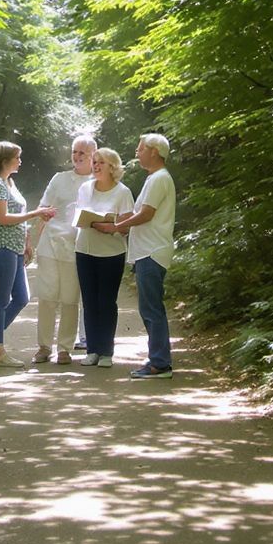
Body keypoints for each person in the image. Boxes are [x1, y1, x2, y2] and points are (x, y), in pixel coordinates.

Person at [97, 134, 176, 379]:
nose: (137, 151)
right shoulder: (155, 178)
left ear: (154, 151)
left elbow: (146, 214)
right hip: (148, 252)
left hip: (152, 252)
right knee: (150, 308)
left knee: (151, 309)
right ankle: (158, 359)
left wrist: (117, 227)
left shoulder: (159, 178)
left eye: (141, 148)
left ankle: (160, 364)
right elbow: (141, 213)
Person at [0, 141, 56, 367]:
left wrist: (27, 241)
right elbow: (3, 219)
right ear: (5, 160)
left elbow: (17, 214)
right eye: (17, 157)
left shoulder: (9, 183)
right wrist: (36, 213)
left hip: (14, 248)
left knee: (22, 297)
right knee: (1, 300)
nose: (20, 161)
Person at [30, 135, 96, 365]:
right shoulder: (59, 178)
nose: (77, 157)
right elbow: (42, 207)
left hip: (77, 247)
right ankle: (43, 347)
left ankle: (65, 349)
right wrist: (33, 239)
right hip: (50, 244)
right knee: (47, 297)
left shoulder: (97, 181)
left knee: (70, 298)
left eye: (82, 153)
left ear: (92, 156)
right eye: (74, 152)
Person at [76, 147, 134, 369]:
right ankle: (92, 350)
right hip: (84, 250)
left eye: (101, 163)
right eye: (95, 162)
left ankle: (107, 352)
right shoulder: (85, 188)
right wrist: (90, 221)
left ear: (113, 167)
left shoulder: (122, 192)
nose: (96, 166)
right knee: (89, 302)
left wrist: (111, 227)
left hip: (111, 253)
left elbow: (127, 225)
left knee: (106, 302)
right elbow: (79, 215)